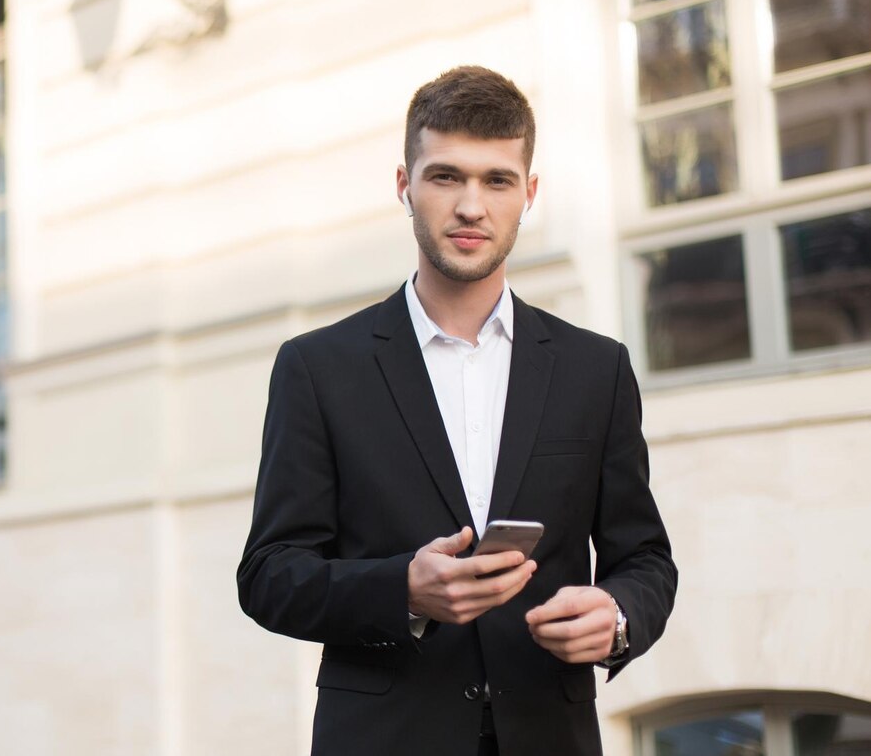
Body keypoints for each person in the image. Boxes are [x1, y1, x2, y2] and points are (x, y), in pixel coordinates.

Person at [236, 66, 677, 756]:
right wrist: (401, 591)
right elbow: (269, 574)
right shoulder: (319, 367)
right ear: (405, 186)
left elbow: (645, 558)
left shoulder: (597, 369)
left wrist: (618, 617)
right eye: (446, 177)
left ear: (528, 194)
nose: (472, 206)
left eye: (497, 180)